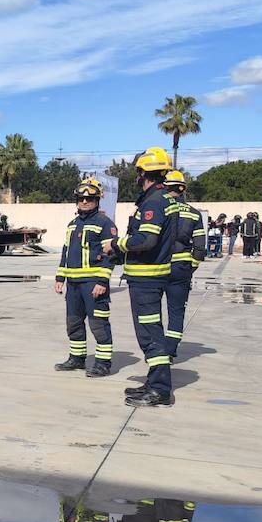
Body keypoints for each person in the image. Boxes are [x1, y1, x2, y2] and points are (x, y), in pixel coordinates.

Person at [103, 147, 178, 407]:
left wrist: (116, 244)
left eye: (138, 172)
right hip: (148, 278)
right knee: (150, 331)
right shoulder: (160, 199)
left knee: (150, 334)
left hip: (147, 280)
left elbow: (146, 240)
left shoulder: (154, 202)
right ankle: (153, 382)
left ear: (144, 172)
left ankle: (160, 390)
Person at [54, 177, 119, 377]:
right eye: (81, 198)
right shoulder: (72, 224)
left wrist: (102, 281)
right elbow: (66, 252)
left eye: (89, 198)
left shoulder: (105, 223)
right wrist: (60, 277)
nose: (84, 202)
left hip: (93, 284)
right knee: (73, 322)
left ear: (97, 200)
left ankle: (103, 363)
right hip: (73, 285)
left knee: (98, 324)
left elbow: (111, 255)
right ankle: (77, 358)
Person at [162, 170, 206, 361]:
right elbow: (200, 247)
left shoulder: (158, 209)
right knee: (176, 310)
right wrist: (191, 266)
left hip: (157, 267)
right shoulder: (194, 215)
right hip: (181, 268)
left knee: (152, 312)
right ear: (183, 189)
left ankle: (156, 351)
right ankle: (170, 350)